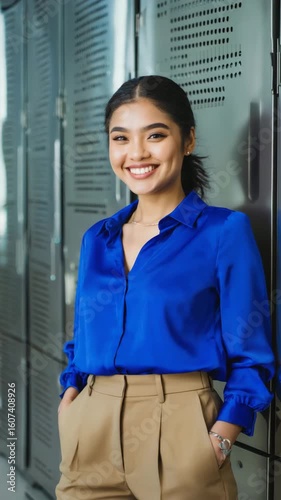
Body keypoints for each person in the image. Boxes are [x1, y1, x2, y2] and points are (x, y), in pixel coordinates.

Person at [55, 75, 275, 500]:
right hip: (91, 427)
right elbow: (83, 336)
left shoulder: (223, 232)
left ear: (187, 139)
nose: (136, 153)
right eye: (121, 138)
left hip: (181, 430)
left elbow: (252, 354)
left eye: (155, 135)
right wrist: (71, 400)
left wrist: (219, 441)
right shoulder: (96, 239)